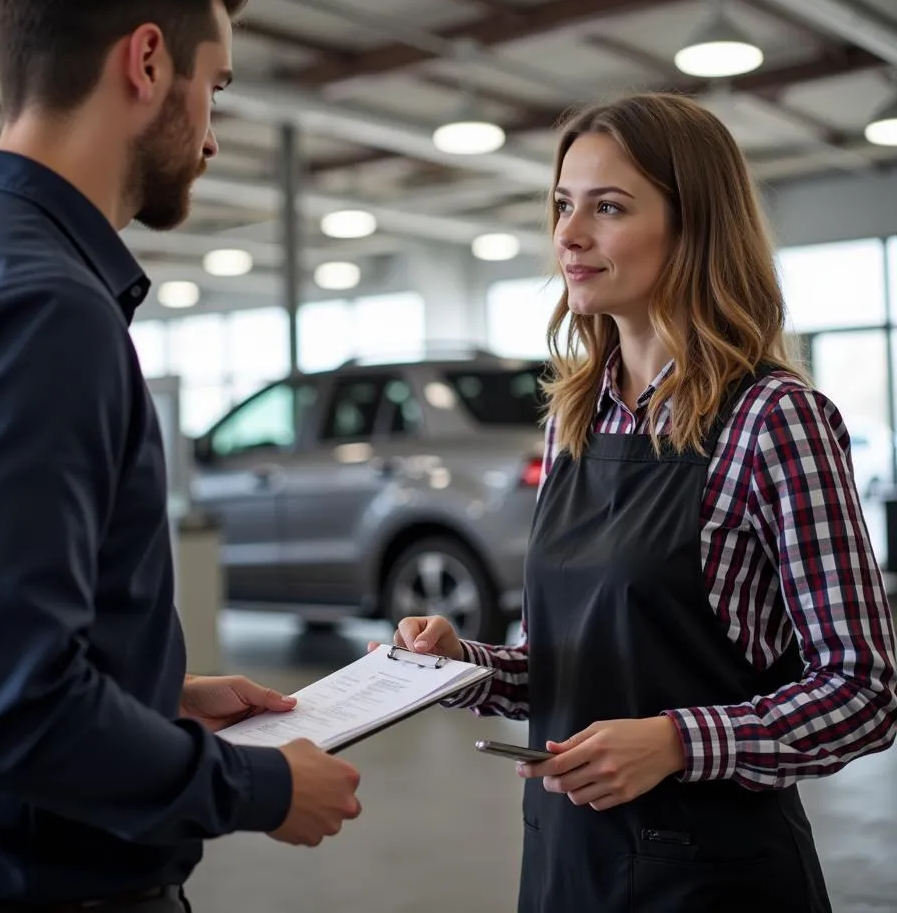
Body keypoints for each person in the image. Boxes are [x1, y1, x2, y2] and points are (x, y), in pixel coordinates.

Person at [0, 0, 361, 910]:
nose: (213, 136)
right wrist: (260, 786)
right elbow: (13, 711)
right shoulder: (42, 310)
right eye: (213, 87)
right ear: (147, 62)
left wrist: (152, 699)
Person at [383, 93, 897, 912]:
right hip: (566, 864)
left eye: (608, 207)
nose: (569, 235)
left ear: (694, 227)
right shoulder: (572, 421)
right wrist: (464, 667)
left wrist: (677, 743)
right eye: (562, 205)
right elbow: (568, 666)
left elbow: (864, 691)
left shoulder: (774, 420)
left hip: (712, 879)